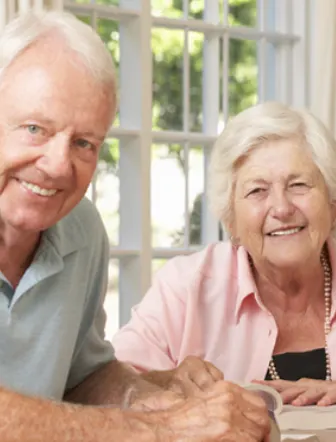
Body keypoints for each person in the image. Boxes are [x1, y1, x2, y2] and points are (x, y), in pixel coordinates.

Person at [0, 9, 271, 441]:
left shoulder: (82, 228)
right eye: (35, 129)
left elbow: (83, 377)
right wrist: (157, 428)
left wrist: (156, 396)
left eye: (84, 143)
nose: (57, 165)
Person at [111, 101, 336, 405]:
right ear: (231, 220)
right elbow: (109, 387)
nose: (282, 208)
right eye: (257, 190)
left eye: (299, 185)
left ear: (334, 205)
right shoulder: (184, 288)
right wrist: (167, 381)